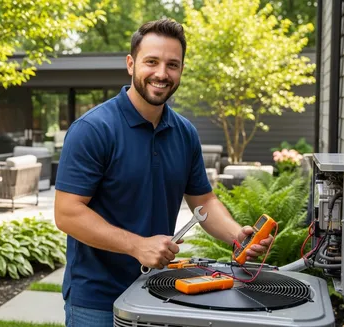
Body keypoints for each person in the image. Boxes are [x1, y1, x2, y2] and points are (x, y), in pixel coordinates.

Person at [53, 18, 273, 327]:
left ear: (182, 69)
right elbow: (67, 213)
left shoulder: (184, 133)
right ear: (131, 64)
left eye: (172, 64)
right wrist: (137, 245)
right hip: (97, 300)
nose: (161, 73)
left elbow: (204, 203)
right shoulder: (93, 129)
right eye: (151, 62)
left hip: (158, 292)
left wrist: (237, 236)